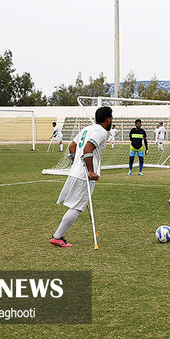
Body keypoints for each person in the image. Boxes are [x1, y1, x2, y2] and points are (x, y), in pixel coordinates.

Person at [50, 106, 113, 248]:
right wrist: (90, 171)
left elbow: (72, 147)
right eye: (111, 118)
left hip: (75, 172)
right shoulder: (102, 132)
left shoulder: (86, 129)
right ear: (108, 119)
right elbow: (87, 149)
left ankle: (57, 236)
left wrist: (76, 163)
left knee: (76, 205)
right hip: (84, 176)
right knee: (77, 207)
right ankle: (57, 237)